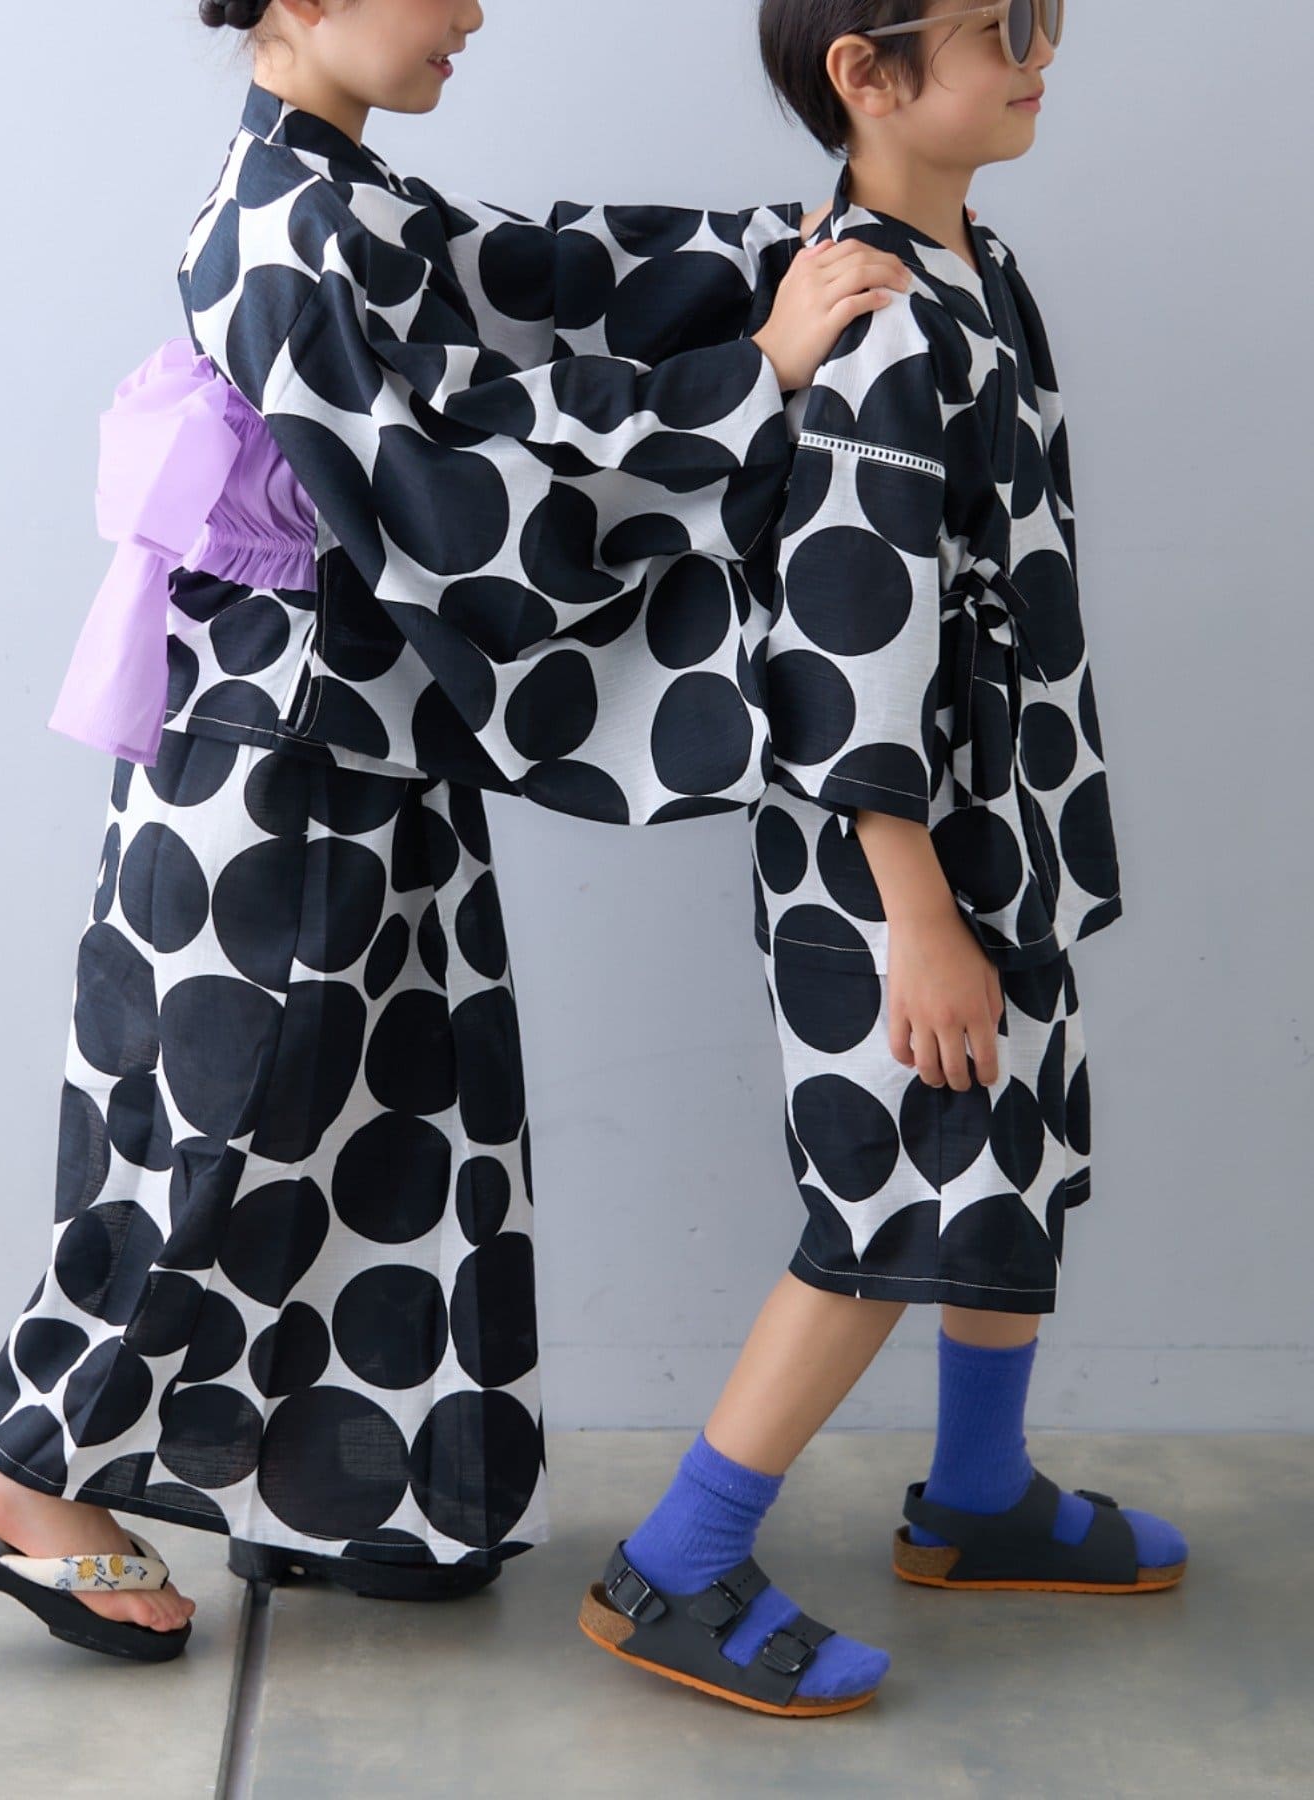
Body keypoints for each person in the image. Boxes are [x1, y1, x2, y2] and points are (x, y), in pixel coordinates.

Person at [0, 0, 911, 1663]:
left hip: (353, 731)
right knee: (229, 1112)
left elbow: (540, 278)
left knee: (403, 1108)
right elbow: (451, 483)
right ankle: (25, 1472)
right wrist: (757, 377)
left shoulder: (339, 192)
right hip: (282, 745)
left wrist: (773, 253)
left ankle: (363, 1495)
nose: (471, 10)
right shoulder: (288, 220)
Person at [577, 0, 1188, 1719]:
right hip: (893, 854)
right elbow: (846, 627)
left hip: (1001, 832)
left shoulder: (980, 271)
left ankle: (979, 1496)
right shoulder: (877, 314)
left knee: (1003, 1163)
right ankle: (676, 1562)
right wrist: (916, 912)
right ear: (867, 72)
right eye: (1002, 24)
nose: (1041, 51)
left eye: (1046, 15)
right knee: (891, 1191)